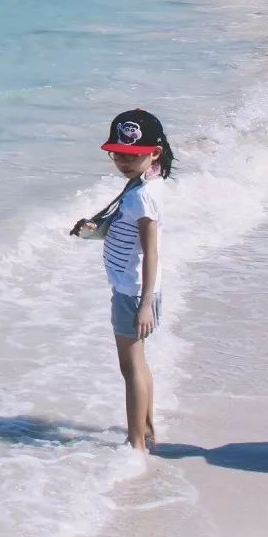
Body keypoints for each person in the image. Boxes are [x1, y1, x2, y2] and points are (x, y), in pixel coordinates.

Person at [70, 110, 172, 451]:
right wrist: (94, 231)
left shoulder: (143, 195)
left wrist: (143, 305)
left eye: (133, 155)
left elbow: (151, 252)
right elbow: (125, 232)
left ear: (154, 153)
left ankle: (136, 444)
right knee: (139, 364)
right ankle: (147, 430)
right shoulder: (146, 185)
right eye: (118, 154)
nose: (124, 161)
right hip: (137, 290)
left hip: (133, 292)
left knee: (130, 369)